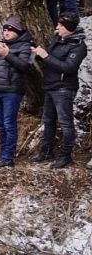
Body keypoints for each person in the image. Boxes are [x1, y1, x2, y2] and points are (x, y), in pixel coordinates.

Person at [30, 13, 88, 169]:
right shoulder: (58, 38)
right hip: (50, 85)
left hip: (64, 88)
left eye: (61, 25)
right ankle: (46, 152)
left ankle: (65, 156)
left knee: (66, 123)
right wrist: (38, 54)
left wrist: (46, 56)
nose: (57, 27)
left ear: (69, 28)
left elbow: (68, 68)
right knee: (48, 120)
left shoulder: (78, 46)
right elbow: (51, 60)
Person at [0, 18, 35, 167]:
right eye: (5, 30)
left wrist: (8, 54)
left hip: (12, 91)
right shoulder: (2, 44)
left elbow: (26, 67)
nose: (6, 33)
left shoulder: (25, 46)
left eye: (10, 30)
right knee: (0, 125)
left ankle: (8, 157)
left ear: (17, 32)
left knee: (9, 124)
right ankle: (2, 154)